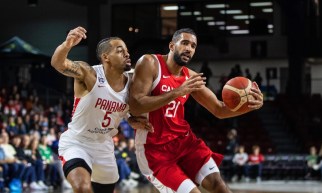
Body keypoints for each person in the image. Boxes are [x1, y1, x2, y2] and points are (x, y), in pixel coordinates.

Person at [129, 28, 263, 193]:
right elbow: (136, 104)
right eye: (184, 43)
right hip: (155, 150)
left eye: (193, 46)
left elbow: (219, 109)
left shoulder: (190, 77)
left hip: (185, 142)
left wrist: (250, 106)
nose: (189, 49)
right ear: (172, 45)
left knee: (218, 185)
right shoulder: (150, 63)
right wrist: (177, 92)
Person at [51, 26, 153, 193]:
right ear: (106, 57)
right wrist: (67, 44)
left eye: (127, 50)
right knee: (83, 188)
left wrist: (130, 118)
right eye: (120, 51)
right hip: (77, 142)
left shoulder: (133, 83)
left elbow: (121, 108)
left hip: (104, 146)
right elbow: (58, 63)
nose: (127, 54)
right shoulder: (88, 73)